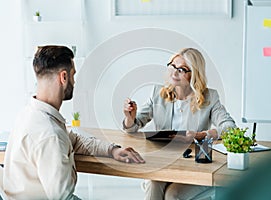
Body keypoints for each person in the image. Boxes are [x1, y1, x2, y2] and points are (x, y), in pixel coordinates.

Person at [3, 45, 145, 200]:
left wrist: (112, 150)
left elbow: (74, 140)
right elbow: (64, 198)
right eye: (73, 75)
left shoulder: (30, 114)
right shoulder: (49, 134)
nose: (74, 82)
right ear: (63, 77)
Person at [122, 48, 236, 200]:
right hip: (165, 164)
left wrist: (201, 135)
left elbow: (230, 128)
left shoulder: (210, 97)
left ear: (194, 74)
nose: (174, 73)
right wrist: (130, 119)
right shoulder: (157, 94)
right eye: (173, 66)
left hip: (196, 168)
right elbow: (134, 127)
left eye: (182, 69)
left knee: (172, 195)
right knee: (153, 184)